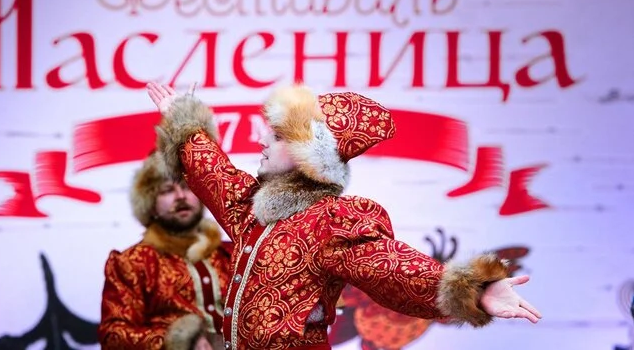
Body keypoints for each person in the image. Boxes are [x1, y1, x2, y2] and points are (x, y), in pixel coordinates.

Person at [146, 81, 542, 350]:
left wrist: (474, 289)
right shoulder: (255, 210)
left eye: (279, 136)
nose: (262, 139)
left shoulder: (333, 221)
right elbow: (214, 174)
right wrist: (183, 124)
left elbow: (392, 267)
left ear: (308, 156)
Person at [98, 150, 232, 350]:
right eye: (168, 190)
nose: (181, 196)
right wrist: (179, 341)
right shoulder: (133, 262)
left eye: (187, 187)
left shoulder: (233, 253)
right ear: (150, 204)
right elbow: (113, 334)